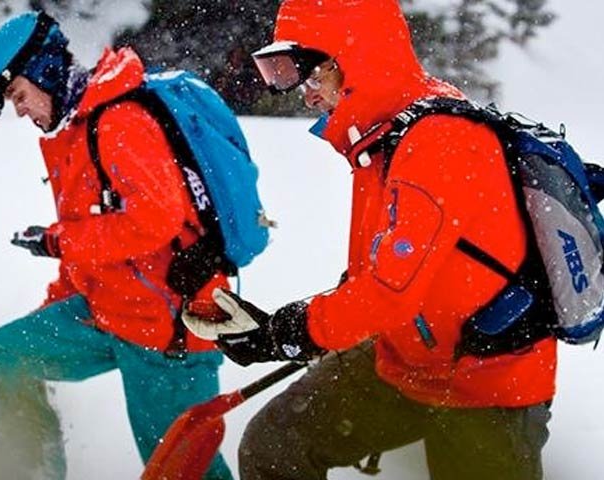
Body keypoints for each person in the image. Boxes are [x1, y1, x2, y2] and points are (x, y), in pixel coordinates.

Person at [182, 0, 556, 479]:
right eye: (285, 75)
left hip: (486, 378)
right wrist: (282, 324)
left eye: (310, 74)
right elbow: (373, 278)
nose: (305, 94)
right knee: (277, 446)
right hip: (404, 358)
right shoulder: (380, 139)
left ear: (353, 58)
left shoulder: (438, 139)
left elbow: (388, 294)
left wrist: (288, 334)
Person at [0, 11, 233, 480]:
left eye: (19, 95)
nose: (20, 110)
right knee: (5, 357)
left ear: (43, 72)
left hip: (167, 329)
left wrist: (57, 241)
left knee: (181, 471)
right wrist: (57, 301)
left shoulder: (120, 122)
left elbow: (155, 220)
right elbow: (89, 233)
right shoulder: (72, 132)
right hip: (106, 309)